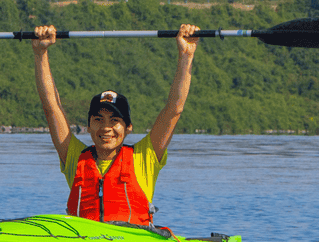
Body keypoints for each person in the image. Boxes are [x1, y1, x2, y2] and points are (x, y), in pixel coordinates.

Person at [32, 23, 200, 225]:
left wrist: (186, 55)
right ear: (88, 127)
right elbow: (51, 108)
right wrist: (41, 53)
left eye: (115, 121)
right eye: (98, 120)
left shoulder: (145, 157)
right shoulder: (74, 158)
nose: (106, 128)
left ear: (128, 127)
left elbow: (174, 109)